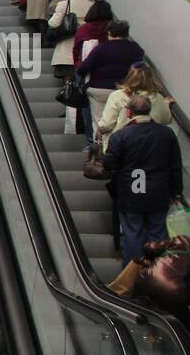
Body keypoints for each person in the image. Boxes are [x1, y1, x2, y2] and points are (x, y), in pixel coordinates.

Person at [101, 94, 183, 266]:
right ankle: (158, 274)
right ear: (149, 110)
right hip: (158, 192)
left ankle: (132, 278)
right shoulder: (166, 134)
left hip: (130, 192)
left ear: (129, 112)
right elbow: (175, 166)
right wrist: (176, 192)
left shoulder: (121, 136)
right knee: (158, 234)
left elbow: (109, 163)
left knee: (132, 234)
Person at [75, 19, 143, 141]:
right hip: (126, 90)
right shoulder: (136, 49)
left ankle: (99, 150)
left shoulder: (101, 49)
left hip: (99, 90)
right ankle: (119, 147)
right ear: (126, 33)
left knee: (99, 121)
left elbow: (83, 69)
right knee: (122, 121)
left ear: (110, 33)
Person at [97, 62, 174, 153]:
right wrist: (166, 105)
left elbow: (107, 124)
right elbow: (166, 120)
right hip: (151, 149)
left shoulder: (117, 96)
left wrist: (99, 129)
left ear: (129, 77)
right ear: (151, 79)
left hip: (121, 148)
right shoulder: (158, 98)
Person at [46, 0, 94, 79]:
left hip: (66, 51)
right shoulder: (92, 5)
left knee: (68, 82)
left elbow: (53, 23)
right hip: (86, 50)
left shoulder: (64, 4)